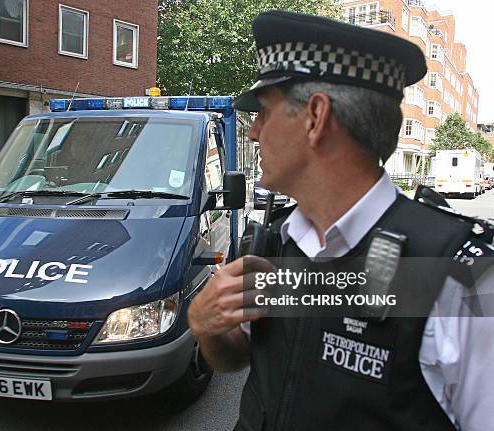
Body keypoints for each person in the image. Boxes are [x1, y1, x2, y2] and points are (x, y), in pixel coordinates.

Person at [187, 10, 494, 431]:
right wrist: (207, 328)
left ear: (315, 117)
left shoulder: (458, 277)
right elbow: (244, 357)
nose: (254, 131)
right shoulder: (279, 240)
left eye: (263, 111)